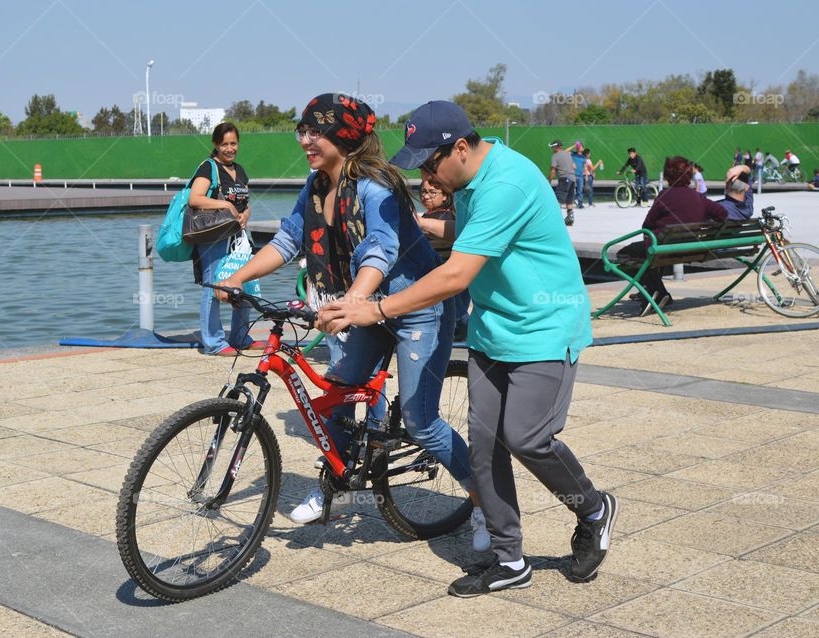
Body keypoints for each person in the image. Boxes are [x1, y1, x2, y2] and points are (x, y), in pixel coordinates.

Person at [320, 101, 618, 595]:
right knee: (484, 450)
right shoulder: (473, 179)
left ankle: (592, 507)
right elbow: (473, 239)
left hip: (544, 327)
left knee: (526, 438)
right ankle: (510, 559)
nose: (426, 174)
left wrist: (376, 308)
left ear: (460, 148)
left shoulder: (506, 184)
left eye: (429, 163)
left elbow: (458, 272)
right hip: (494, 330)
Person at [214, 93, 488, 551]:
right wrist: (237, 278)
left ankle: (485, 505)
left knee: (421, 423)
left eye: (315, 131)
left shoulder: (375, 187)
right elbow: (288, 240)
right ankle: (336, 488)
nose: (306, 140)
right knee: (337, 391)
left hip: (416, 306)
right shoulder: (317, 184)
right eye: (302, 131)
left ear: (342, 136)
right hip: (367, 307)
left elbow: (379, 249)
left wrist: (355, 300)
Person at [618, 156, 729, 315]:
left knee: (625, 254)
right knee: (653, 254)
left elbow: (647, 225)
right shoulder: (698, 197)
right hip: (692, 248)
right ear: (689, 176)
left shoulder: (665, 195)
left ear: (669, 176)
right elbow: (723, 213)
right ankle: (654, 292)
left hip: (664, 247)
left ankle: (657, 292)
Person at [188, 122, 260, 356]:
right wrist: (226, 204)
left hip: (238, 237)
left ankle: (240, 336)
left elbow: (246, 202)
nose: (230, 148)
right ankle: (214, 343)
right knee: (213, 288)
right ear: (216, 145)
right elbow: (195, 199)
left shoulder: (239, 170)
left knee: (244, 284)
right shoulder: (209, 168)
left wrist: (246, 214)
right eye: (225, 144)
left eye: (233, 143)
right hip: (213, 237)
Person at [417, 176, 471, 340]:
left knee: (453, 315)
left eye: (432, 192)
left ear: (446, 196)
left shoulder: (437, 219)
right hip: (457, 282)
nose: (426, 196)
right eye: (423, 192)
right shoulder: (450, 216)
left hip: (444, 278)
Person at [549, 140, 577, 225]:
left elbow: (553, 170)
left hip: (564, 178)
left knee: (559, 198)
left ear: (555, 147)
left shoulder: (555, 156)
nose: (551, 149)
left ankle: (555, 219)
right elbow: (574, 167)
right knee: (569, 199)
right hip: (572, 178)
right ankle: (570, 218)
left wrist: (549, 181)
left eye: (552, 147)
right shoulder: (568, 155)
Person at [571, 141, 586, 209]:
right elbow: (565, 152)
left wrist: (586, 176)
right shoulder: (573, 154)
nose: (579, 147)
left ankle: (580, 203)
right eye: (579, 146)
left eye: (580, 146)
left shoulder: (583, 157)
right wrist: (574, 146)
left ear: (582, 148)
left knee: (580, 190)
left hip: (580, 176)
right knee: (572, 190)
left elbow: (585, 167)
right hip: (573, 175)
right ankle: (571, 202)